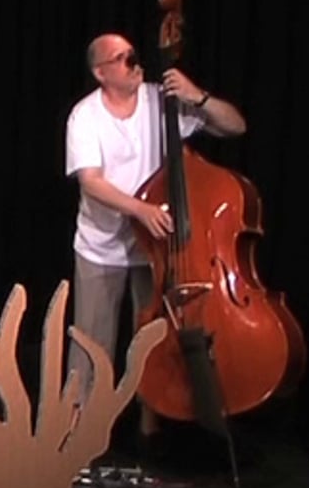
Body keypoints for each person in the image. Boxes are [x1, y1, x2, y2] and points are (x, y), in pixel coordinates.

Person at [65, 32, 246, 438]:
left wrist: (198, 97)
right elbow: (91, 181)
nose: (135, 63)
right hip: (102, 245)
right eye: (123, 59)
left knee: (151, 340)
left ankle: (150, 426)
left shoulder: (158, 100)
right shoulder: (85, 116)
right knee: (92, 341)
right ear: (101, 73)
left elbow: (235, 126)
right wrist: (141, 210)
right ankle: (76, 431)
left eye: (134, 55)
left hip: (157, 249)